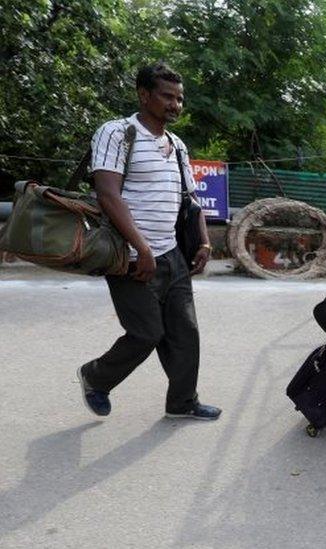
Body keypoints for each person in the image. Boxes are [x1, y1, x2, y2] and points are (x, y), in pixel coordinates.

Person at [76, 63, 221, 421]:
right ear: (144, 95)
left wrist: (203, 242)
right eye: (167, 96)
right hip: (127, 256)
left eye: (180, 99)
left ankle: (182, 403)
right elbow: (108, 194)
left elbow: (190, 200)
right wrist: (140, 248)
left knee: (186, 333)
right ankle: (95, 377)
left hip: (170, 254)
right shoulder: (117, 132)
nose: (175, 105)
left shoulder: (177, 145)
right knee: (146, 333)